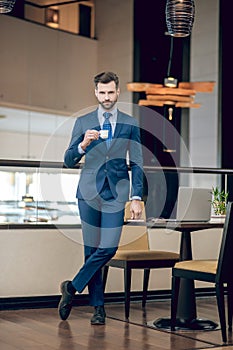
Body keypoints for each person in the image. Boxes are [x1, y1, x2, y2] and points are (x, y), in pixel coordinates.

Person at [58, 71, 144, 325]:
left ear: (118, 92)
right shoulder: (83, 122)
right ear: (96, 93)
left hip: (116, 194)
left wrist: (136, 196)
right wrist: (82, 145)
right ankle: (99, 309)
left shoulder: (130, 123)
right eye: (102, 92)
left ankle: (71, 288)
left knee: (108, 247)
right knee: (91, 250)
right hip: (88, 193)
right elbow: (68, 159)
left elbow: (137, 162)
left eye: (111, 92)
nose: (107, 97)